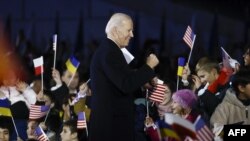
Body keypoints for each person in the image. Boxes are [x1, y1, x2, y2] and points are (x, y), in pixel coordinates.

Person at [89, 13, 159, 141]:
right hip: (111, 128)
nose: (132, 35)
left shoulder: (110, 50)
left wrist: (142, 83)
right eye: (129, 30)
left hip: (112, 125)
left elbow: (118, 82)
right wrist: (148, 66)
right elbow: (126, 84)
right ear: (115, 31)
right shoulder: (109, 52)